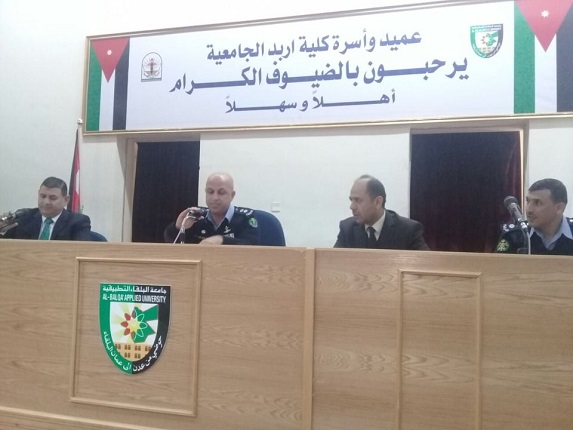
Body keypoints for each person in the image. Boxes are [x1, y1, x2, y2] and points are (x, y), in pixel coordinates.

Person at [334, 175, 429, 250]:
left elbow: (427, 265)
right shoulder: (347, 229)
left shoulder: (408, 230)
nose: (352, 207)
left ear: (378, 202)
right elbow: (332, 263)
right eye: (351, 200)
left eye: (358, 200)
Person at [164, 172, 259, 245]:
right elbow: (172, 243)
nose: (214, 198)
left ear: (232, 195)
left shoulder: (245, 217)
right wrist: (178, 228)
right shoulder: (196, 216)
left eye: (221, 193)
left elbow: (252, 245)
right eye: (210, 192)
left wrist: (221, 240)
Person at [495, 178, 573, 255]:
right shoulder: (514, 236)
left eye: (537, 203)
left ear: (559, 208)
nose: (529, 209)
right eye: (528, 201)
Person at [3, 176, 91, 240]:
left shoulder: (78, 222)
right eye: (43, 196)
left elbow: (80, 251)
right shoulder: (24, 217)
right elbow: (4, 247)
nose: (46, 202)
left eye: (52, 198)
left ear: (66, 200)